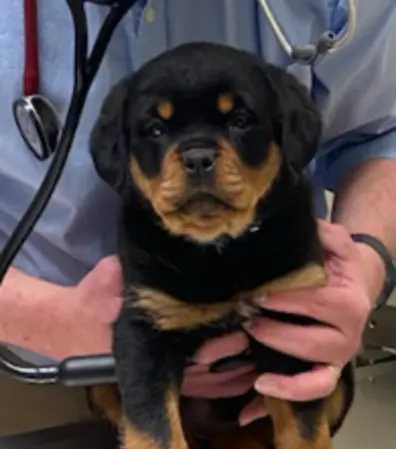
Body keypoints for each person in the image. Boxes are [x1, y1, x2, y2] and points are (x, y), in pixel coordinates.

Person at [0, 0, 395, 425]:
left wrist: (366, 265)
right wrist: (45, 320)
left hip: (282, 381)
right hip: (52, 381)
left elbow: (382, 133)